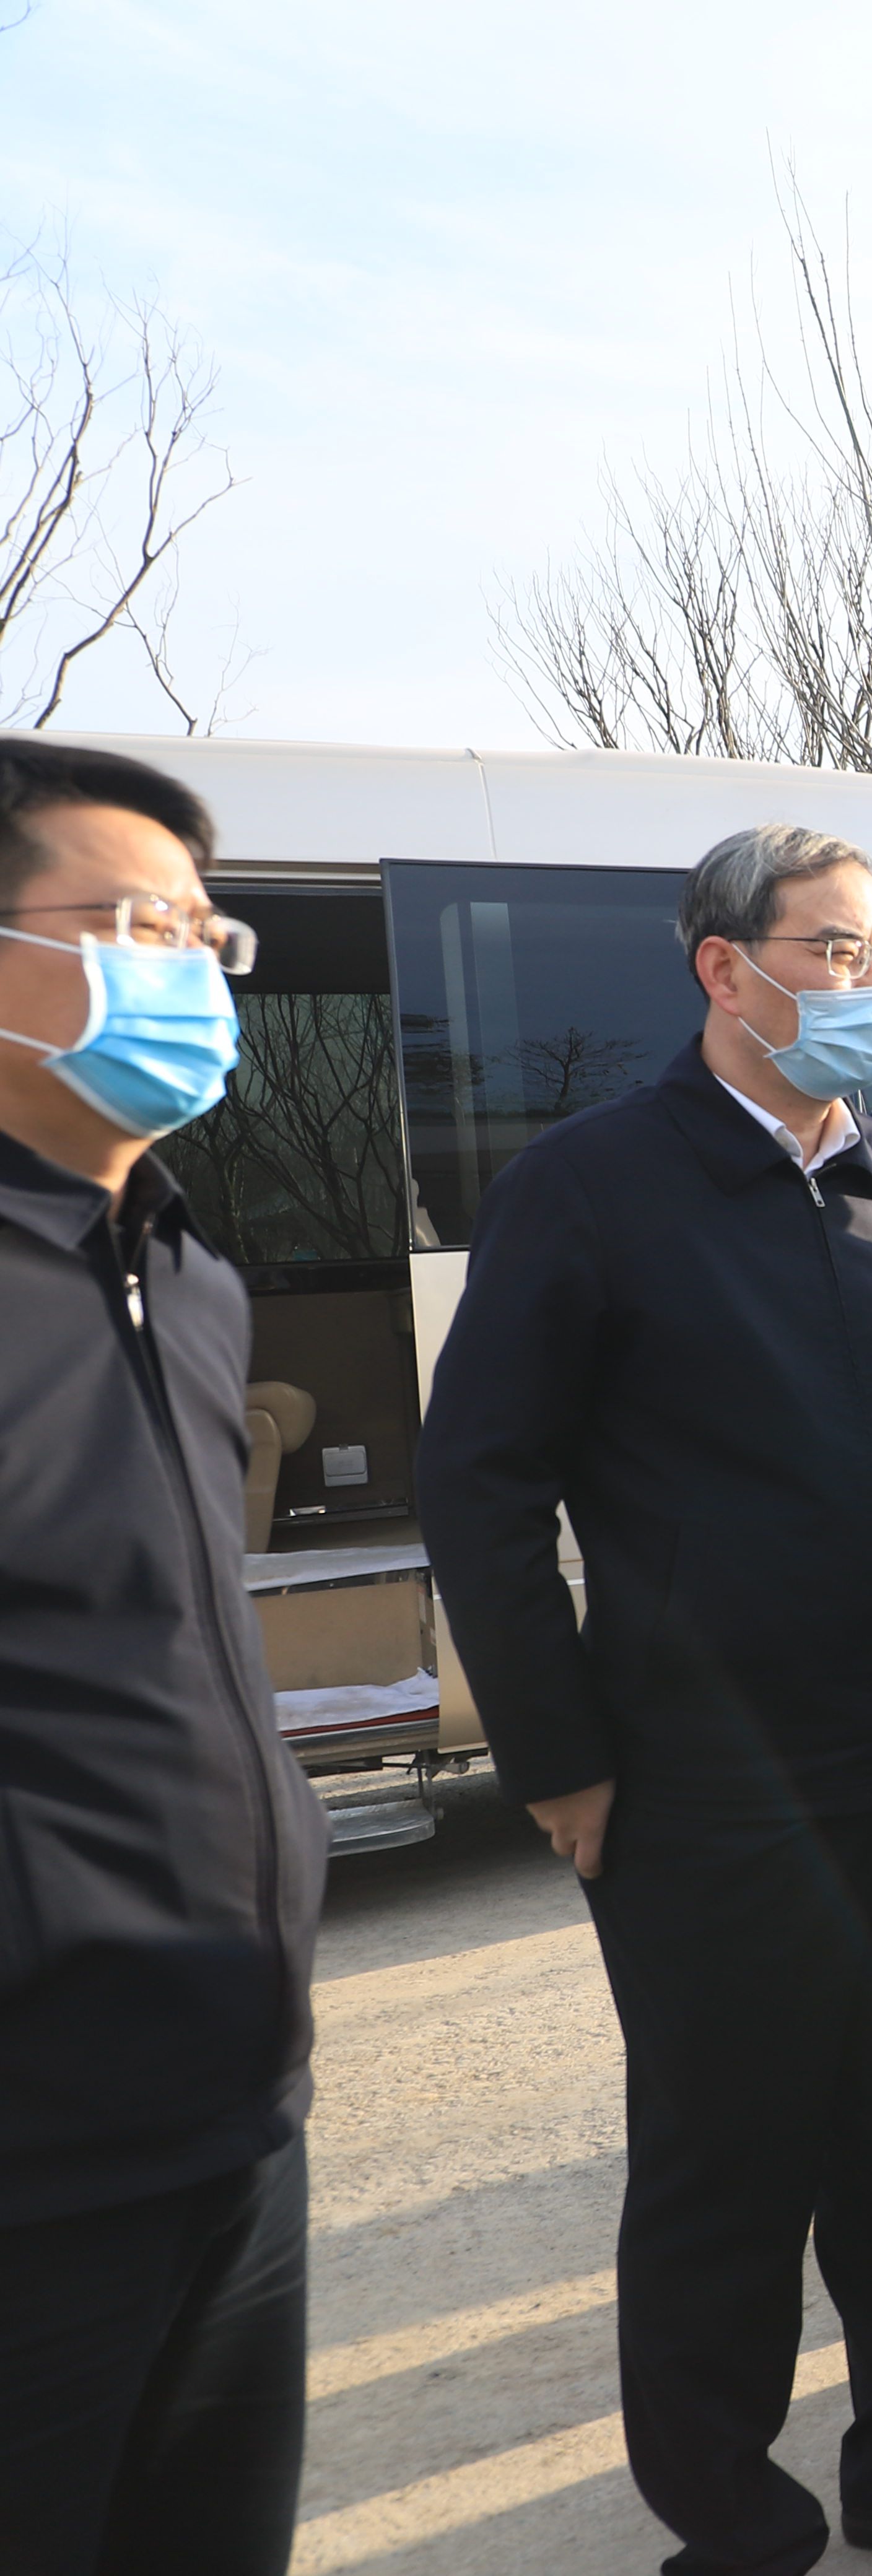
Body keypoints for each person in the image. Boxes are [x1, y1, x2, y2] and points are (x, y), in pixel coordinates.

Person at [417, 825, 872, 2576]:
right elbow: (481, 1487)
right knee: (728, 2165)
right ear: (725, 966)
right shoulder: (591, 1186)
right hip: (701, 1783)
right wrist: (556, 1755)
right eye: (838, 952)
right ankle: (731, 2518)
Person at [0, 741, 328, 2576]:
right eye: (136, 928)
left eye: (208, 937)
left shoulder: (190, 1275)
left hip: (238, 2110)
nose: (190, 971)